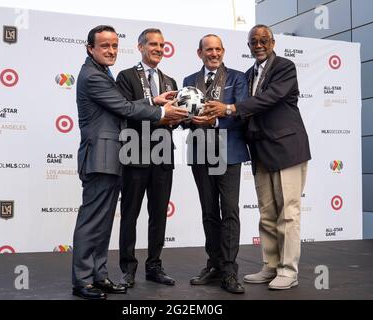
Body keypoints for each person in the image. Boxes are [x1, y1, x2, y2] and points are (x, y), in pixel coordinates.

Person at [72, 25, 187, 300]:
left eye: (114, 45)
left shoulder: (102, 72)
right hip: (100, 158)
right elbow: (123, 108)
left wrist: (154, 100)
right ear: (90, 49)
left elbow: (122, 107)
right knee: (91, 223)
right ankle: (82, 281)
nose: (111, 51)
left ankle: (98, 276)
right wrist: (160, 109)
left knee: (102, 225)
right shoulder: (93, 76)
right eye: (104, 46)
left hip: (112, 158)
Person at [204, 25, 311, 290]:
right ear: (249, 45)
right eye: (254, 41)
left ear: (273, 42)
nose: (259, 45)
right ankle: (271, 266)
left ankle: (288, 270)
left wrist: (229, 108)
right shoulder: (249, 74)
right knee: (267, 213)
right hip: (260, 151)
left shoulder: (284, 67)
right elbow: (248, 111)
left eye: (264, 40)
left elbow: (269, 99)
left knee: (288, 212)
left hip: (287, 148)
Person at [183, 34, 249, 294]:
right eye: (208, 49)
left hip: (228, 152)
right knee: (209, 212)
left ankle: (230, 271)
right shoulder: (189, 81)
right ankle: (214, 265)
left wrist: (216, 121)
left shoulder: (237, 77)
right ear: (199, 53)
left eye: (218, 49)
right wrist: (191, 120)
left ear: (223, 51)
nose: (214, 53)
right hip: (201, 152)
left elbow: (243, 111)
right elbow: (184, 115)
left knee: (229, 211)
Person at [116, 28, 177, 288]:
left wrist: (183, 118)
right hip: (134, 153)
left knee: (158, 215)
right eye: (153, 44)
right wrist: (155, 104)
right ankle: (128, 268)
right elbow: (125, 111)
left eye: (162, 45)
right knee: (130, 214)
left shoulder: (171, 81)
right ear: (140, 47)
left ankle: (154, 266)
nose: (158, 48)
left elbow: (172, 118)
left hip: (163, 154)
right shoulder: (126, 76)